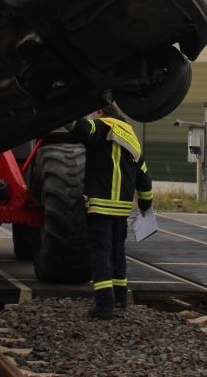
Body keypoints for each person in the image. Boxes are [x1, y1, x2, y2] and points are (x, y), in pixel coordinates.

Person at [65, 103, 153, 319]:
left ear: (101, 113)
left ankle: (104, 306)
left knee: (100, 253)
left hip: (101, 205)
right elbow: (143, 175)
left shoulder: (103, 127)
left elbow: (82, 128)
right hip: (122, 209)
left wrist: (62, 113)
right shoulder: (132, 137)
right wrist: (145, 203)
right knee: (117, 252)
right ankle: (120, 298)